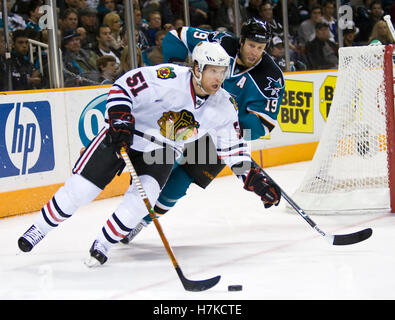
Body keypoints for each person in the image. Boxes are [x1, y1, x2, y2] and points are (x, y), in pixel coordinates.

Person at [17, 41, 281, 267]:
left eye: (222, 72)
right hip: (128, 134)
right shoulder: (169, 77)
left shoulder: (224, 105)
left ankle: (104, 243)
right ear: (197, 68)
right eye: (213, 71)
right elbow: (123, 88)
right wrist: (120, 121)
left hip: (163, 149)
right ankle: (38, 229)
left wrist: (255, 180)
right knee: (80, 191)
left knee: (144, 199)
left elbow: (232, 149)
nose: (218, 78)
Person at [121, 18, 285, 243]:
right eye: (251, 45)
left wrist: (230, 121)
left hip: (218, 137)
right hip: (185, 119)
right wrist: (179, 71)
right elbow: (176, 36)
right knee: (155, 168)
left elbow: (262, 125)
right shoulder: (221, 44)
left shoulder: (271, 77)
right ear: (242, 41)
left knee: (179, 184)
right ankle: (127, 216)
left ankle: (142, 222)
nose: (255, 52)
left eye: (261, 47)